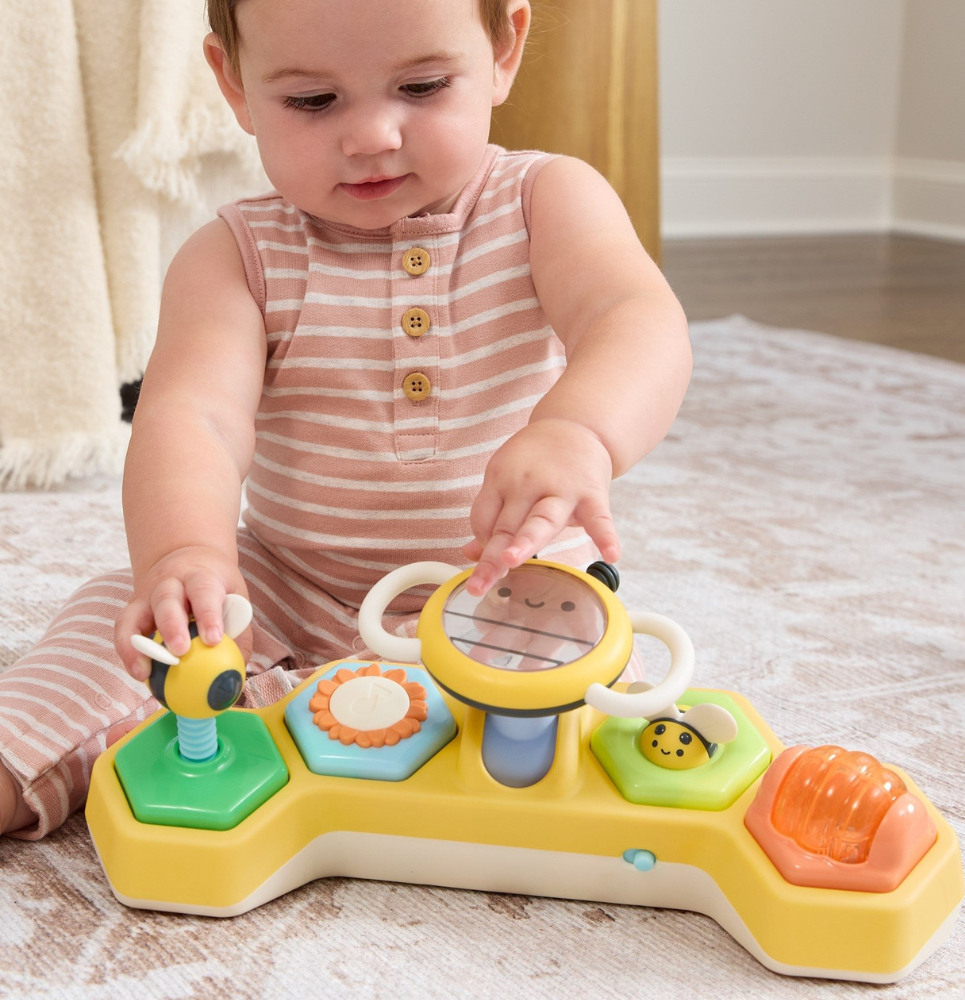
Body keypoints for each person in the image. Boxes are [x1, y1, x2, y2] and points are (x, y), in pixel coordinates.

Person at [0, 0, 691, 839]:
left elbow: (635, 319)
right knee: (132, 622)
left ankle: (302, 724)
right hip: (287, 583)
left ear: (504, 49)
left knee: (555, 712)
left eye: (422, 87)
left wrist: (579, 430)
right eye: (312, 101)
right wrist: (184, 555)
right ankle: (24, 757)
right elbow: (195, 418)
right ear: (234, 84)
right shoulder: (234, 256)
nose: (370, 136)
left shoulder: (547, 200)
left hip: (510, 590)